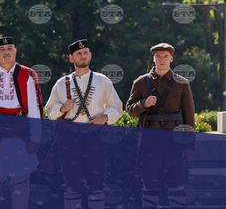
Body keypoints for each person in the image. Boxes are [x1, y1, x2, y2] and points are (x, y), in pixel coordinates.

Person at [45, 39, 123, 209]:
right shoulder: (61, 83)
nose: (83, 56)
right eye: (79, 53)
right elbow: (49, 111)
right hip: (69, 138)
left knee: (97, 185)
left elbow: (117, 106)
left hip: (96, 137)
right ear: (71, 58)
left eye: (85, 53)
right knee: (72, 186)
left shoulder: (103, 81)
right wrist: (62, 108)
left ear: (90, 55)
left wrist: (105, 118)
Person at [0, 36, 43, 209]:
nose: (6, 52)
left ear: (15, 51)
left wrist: (35, 138)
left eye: (9, 48)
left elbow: (35, 108)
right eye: (2, 50)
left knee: (20, 184)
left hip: (20, 134)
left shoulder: (28, 75)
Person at [125, 43, 196, 207]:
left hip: (175, 143)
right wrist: (144, 103)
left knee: (176, 185)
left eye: (165, 56)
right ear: (154, 58)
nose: (162, 60)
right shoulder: (141, 82)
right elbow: (130, 110)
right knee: (149, 185)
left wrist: (189, 146)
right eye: (158, 56)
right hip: (149, 142)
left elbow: (189, 116)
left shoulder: (182, 83)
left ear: (171, 59)